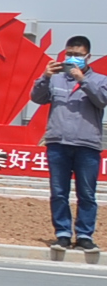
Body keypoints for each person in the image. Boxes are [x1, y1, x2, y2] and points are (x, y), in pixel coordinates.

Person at [33, 34, 107, 251]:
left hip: (87, 145)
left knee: (86, 193)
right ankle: (63, 233)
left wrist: (83, 80)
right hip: (58, 143)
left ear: (88, 57)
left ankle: (84, 235)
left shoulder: (100, 80)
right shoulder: (56, 78)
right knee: (58, 192)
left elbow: (102, 100)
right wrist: (45, 77)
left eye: (78, 55)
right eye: (70, 54)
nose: (73, 58)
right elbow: (36, 97)